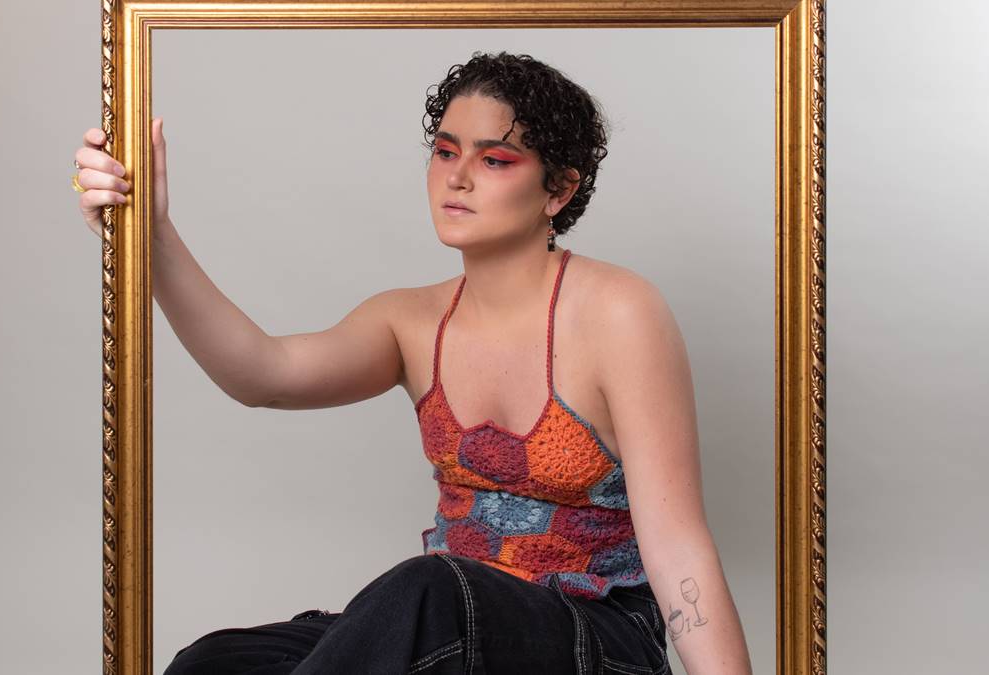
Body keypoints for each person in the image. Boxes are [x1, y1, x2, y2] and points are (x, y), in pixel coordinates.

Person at [72, 51, 751, 674]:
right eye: (445, 151)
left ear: (559, 189)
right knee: (216, 662)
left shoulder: (619, 312)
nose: (456, 176)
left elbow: (679, 546)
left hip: (597, 633)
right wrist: (152, 235)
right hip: (451, 631)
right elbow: (262, 375)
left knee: (429, 589)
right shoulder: (411, 321)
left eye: (494, 160)